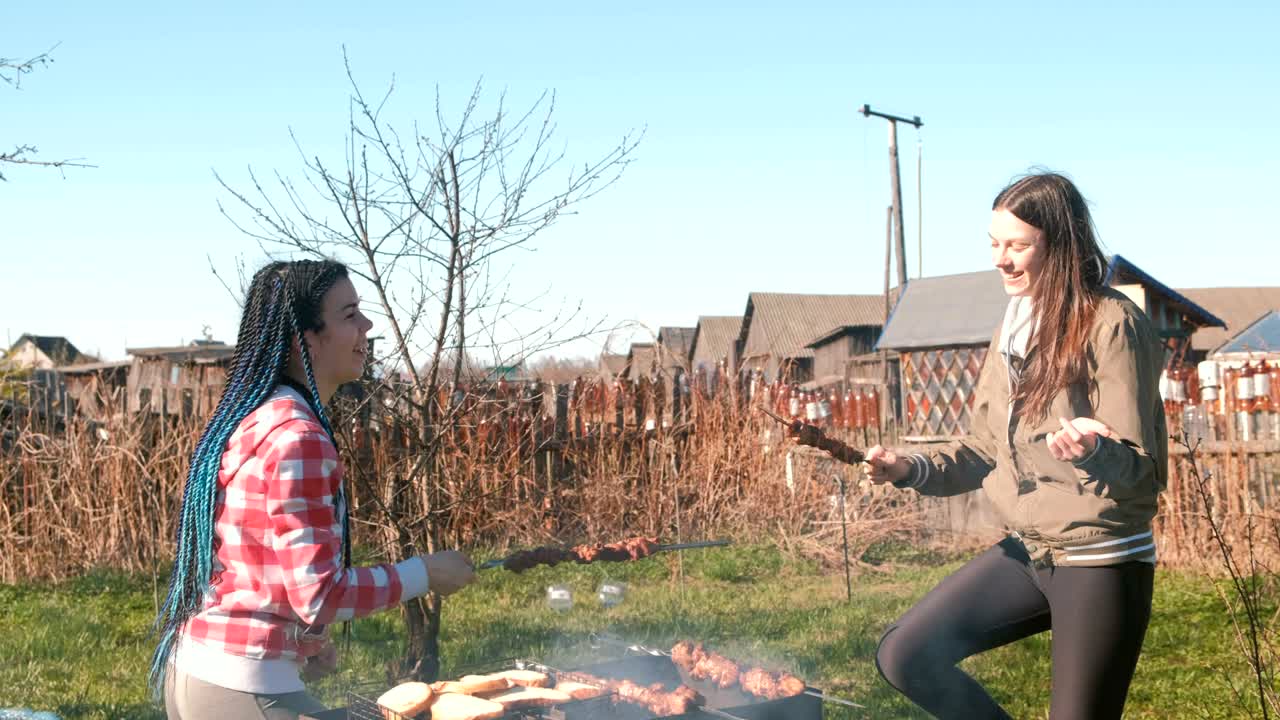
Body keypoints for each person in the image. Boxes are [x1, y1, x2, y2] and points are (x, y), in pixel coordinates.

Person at [851, 172, 1163, 719]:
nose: (1001, 259)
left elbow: (1141, 469)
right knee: (906, 654)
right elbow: (983, 448)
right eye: (995, 244)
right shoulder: (1015, 324)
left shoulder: (1113, 324)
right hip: (1027, 552)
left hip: (1099, 558)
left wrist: (1093, 452)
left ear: (1061, 246)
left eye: (1018, 246)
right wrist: (909, 466)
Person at [150, 259, 476, 719]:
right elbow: (321, 595)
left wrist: (302, 640)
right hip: (247, 688)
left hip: (199, 674)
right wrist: (424, 573)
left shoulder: (256, 417)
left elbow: (255, 559)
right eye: (349, 314)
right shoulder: (299, 437)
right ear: (306, 339)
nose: (367, 325)